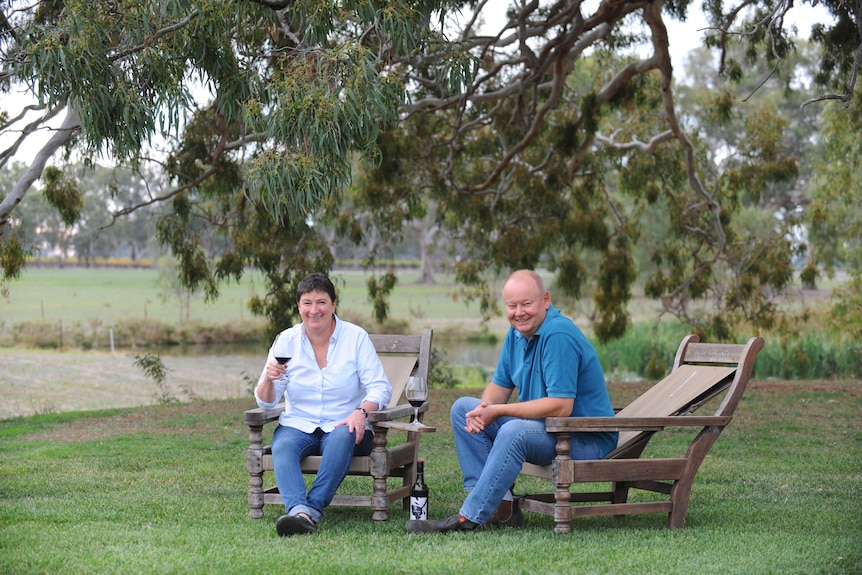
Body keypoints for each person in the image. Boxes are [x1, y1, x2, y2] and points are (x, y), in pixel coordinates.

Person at [405, 269, 617, 533]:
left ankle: (469, 517)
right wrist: (483, 410)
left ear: (545, 300)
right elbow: (499, 385)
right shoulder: (517, 333)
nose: (519, 312)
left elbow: (562, 406)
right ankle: (499, 508)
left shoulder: (558, 335)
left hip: (582, 438)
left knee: (513, 431)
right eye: (512, 306)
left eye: (527, 304)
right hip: (546, 429)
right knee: (464, 409)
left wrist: (499, 411)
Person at [255, 272, 392, 537]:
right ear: (298, 306)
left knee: (343, 434)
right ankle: (299, 512)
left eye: (321, 303)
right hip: (299, 424)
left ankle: (311, 511)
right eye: (307, 303)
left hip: (345, 424)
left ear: (333, 304)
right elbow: (265, 400)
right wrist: (269, 380)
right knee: (282, 444)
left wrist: (361, 411)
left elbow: (380, 387)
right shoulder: (286, 341)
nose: (313, 310)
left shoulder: (355, 338)